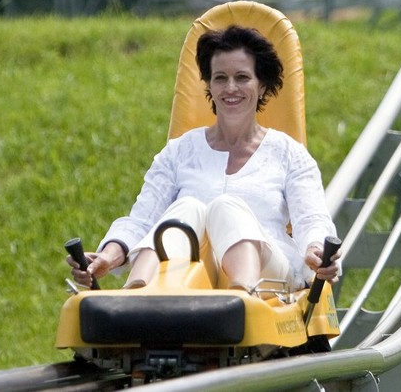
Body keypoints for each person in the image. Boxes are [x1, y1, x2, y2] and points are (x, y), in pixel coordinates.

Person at [68, 25, 340, 293]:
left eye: (242, 77)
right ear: (209, 85)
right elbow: (141, 220)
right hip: (190, 276)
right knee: (185, 209)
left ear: (262, 85)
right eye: (220, 78)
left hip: (269, 277)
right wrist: (108, 255)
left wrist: (316, 250)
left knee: (226, 207)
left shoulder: (288, 154)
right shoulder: (179, 152)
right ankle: (137, 291)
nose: (230, 88)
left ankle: (242, 296)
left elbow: (311, 219)